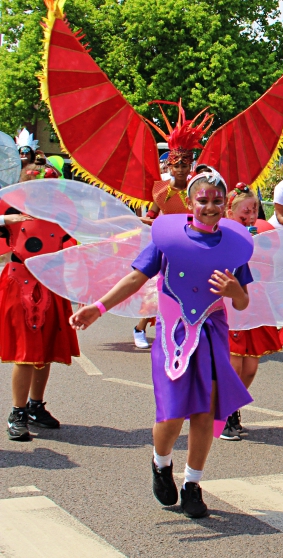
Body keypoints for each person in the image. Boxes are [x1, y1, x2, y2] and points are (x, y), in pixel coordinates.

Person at [69, 170, 255, 519]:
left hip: (212, 333)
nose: (210, 207)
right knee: (171, 414)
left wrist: (235, 292)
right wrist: (99, 307)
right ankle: (161, 462)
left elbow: (243, 302)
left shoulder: (235, 246)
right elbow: (135, 276)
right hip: (174, 335)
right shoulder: (166, 239)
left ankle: (193, 484)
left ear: (226, 205)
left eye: (218, 201)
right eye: (203, 200)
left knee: (205, 412)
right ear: (189, 202)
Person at [1, 171, 79, 441]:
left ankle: (35, 405)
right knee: (24, 353)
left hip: (50, 284)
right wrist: (3, 219)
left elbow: (75, 248)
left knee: (44, 351)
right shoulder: (12, 211)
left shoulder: (63, 218)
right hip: (19, 283)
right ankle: (17, 412)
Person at [133, 123, 203, 350]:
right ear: (170, 166)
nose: (181, 169)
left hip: (192, 246)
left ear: (191, 165)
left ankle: (186, 331)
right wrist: (149, 221)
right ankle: (140, 328)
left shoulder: (198, 189)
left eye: (185, 164)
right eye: (176, 165)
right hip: (166, 246)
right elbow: (152, 215)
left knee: (192, 290)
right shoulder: (161, 190)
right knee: (158, 290)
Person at [220, 183, 279, 440]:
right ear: (229, 212)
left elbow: (271, 267)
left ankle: (232, 407)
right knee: (233, 364)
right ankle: (224, 414)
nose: (252, 216)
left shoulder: (262, 234)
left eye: (255, 210)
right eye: (245, 212)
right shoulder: (220, 234)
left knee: (251, 367)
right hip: (231, 306)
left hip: (255, 304)